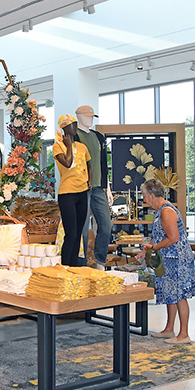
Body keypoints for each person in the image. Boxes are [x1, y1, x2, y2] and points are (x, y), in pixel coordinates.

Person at [136, 179, 195, 344]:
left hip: (178, 259)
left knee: (180, 295)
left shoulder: (167, 211)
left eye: (144, 195)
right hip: (168, 259)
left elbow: (173, 238)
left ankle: (183, 334)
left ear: (151, 195)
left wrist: (154, 247)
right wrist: (146, 250)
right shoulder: (160, 211)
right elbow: (161, 237)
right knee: (171, 294)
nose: (143, 198)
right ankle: (169, 329)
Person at [75, 105, 113, 270]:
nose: (90, 119)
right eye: (86, 116)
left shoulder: (99, 137)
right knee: (83, 228)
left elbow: (104, 164)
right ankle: (82, 263)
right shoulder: (73, 135)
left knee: (106, 225)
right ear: (78, 116)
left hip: (99, 188)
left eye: (92, 116)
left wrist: (108, 188)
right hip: (82, 188)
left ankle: (100, 262)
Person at [53, 114, 92, 267]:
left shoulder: (82, 147)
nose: (75, 127)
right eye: (72, 124)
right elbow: (68, 163)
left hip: (82, 193)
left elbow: (89, 165)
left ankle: (74, 266)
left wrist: (90, 180)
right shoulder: (58, 146)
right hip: (67, 194)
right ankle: (65, 266)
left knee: (79, 234)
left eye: (75, 124)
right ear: (64, 127)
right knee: (71, 233)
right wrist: (68, 145)